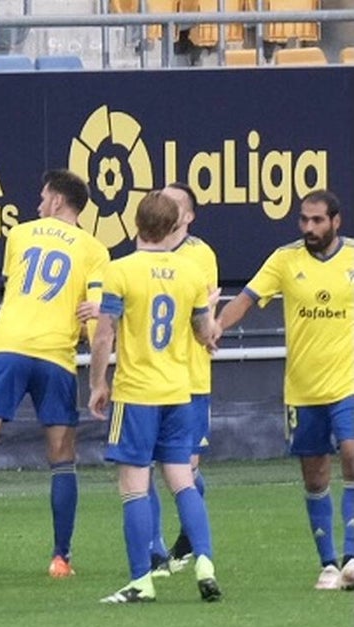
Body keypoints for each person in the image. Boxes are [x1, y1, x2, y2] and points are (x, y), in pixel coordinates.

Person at [0, 169, 110, 578]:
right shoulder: (95, 250)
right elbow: (97, 321)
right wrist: (98, 377)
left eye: (41, 197)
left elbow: (17, 286)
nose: (37, 204)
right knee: (62, 457)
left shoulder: (20, 235)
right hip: (56, 355)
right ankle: (60, 558)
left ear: (55, 201)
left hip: (7, 347)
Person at [213, 189, 354, 591]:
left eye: (317, 221)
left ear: (335, 221)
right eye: (304, 220)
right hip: (303, 389)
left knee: (351, 453)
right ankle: (328, 564)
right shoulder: (284, 259)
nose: (309, 227)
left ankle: (352, 556)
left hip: (348, 382)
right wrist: (217, 328)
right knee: (314, 475)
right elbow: (245, 299)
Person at [89, 190, 222, 604]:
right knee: (182, 478)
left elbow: (105, 333)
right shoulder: (190, 274)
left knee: (133, 485)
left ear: (136, 224)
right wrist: (211, 320)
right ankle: (204, 562)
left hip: (137, 392)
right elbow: (205, 335)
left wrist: (97, 383)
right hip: (179, 391)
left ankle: (140, 581)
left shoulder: (121, 270)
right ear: (174, 226)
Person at [148, 182, 220, 576]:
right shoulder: (144, 254)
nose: (165, 207)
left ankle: (191, 541)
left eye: (174, 203)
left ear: (188, 216)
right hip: (152, 376)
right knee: (151, 466)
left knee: (183, 468)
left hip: (190, 377)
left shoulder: (199, 254)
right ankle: (157, 551)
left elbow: (198, 311)